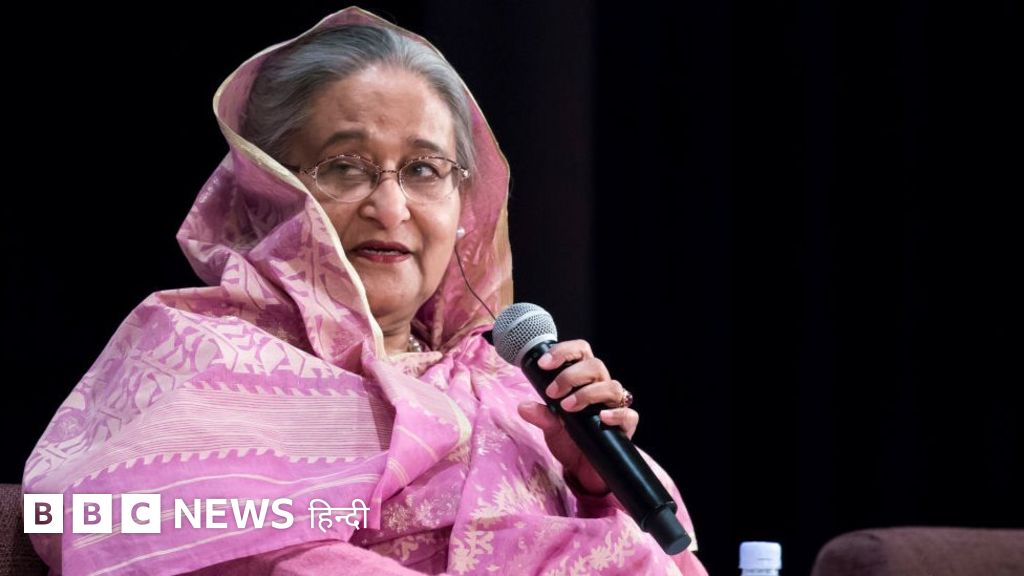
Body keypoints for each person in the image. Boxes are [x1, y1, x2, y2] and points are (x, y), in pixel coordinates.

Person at [23, 7, 707, 575]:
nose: (390, 207)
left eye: (423, 170)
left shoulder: (508, 384)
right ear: (269, 189)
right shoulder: (197, 350)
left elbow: (672, 559)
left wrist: (589, 484)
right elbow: (88, 516)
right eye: (345, 167)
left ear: (464, 205)